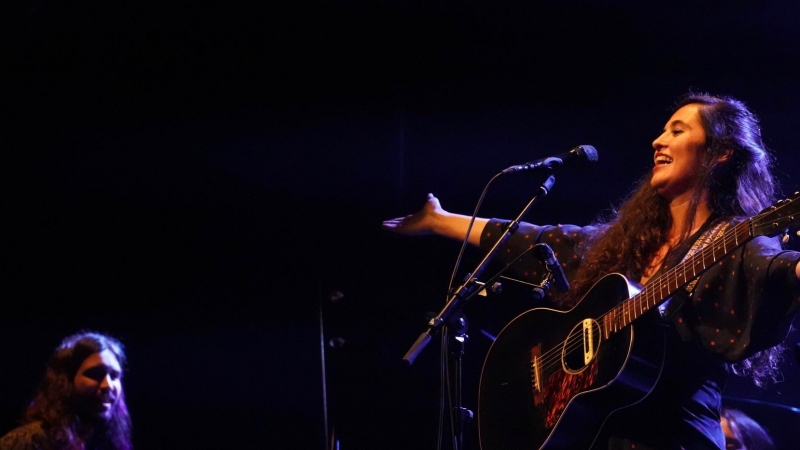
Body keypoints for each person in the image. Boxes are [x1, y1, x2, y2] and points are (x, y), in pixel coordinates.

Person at [383, 93, 800, 449]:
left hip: (675, 437)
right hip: (600, 435)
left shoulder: (737, 240)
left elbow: (778, 268)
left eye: (677, 130)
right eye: (662, 130)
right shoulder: (630, 241)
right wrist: (439, 220)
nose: (658, 140)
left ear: (721, 152)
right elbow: (537, 240)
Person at [0, 331, 133, 450]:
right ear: (66, 381)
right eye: (95, 374)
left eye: (114, 376)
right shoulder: (27, 442)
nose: (108, 385)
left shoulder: (108, 443)